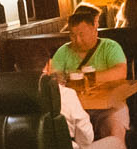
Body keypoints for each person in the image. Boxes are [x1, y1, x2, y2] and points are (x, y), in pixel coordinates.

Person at [50, 8, 132, 141]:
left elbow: (120, 73)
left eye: (82, 35)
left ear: (94, 31)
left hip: (109, 108)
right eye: (72, 35)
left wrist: (84, 78)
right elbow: (53, 78)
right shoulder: (63, 51)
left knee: (114, 132)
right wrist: (60, 78)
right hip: (75, 110)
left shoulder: (110, 47)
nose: (77, 40)